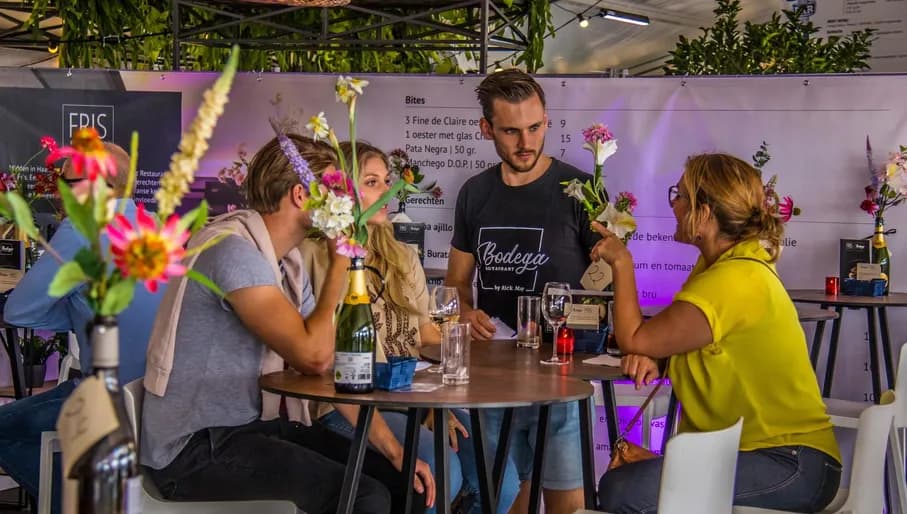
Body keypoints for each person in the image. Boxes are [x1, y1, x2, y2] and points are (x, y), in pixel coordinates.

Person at [140, 134, 432, 514]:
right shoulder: (231, 251)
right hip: (193, 450)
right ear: (300, 195)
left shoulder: (284, 265)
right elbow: (312, 356)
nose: (344, 202)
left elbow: (326, 369)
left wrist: (396, 453)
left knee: (398, 483)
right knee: (364, 497)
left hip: (247, 431)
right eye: (334, 190)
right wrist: (341, 262)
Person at [593, 153, 841, 513]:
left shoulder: (732, 280)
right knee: (626, 485)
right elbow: (701, 345)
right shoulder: (725, 266)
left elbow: (634, 337)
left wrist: (622, 261)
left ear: (705, 213)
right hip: (770, 457)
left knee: (621, 490)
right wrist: (658, 360)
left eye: (679, 195)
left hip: (790, 463)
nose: (674, 205)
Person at [301, 142, 520, 514]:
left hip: (409, 398)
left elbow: (423, 335)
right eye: (372, 182)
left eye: (387, 181)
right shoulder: (313, 255)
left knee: (502, 476)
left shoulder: (402, 256)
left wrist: (457, 363)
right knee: (441, 469)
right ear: (340, 191)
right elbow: (325, 355)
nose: (387, 191)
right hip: (347, 405)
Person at [445, 69, 599, 514]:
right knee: (503, 498)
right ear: (487, 129)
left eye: (535, 127)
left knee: (566, 501)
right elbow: (457, 282)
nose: (526, 142)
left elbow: (608, 282)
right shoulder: (475, 193)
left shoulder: (579, 189)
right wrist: (464, 313)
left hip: (562, 378)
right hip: (491, 382)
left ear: (547, 120)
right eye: (511, 131)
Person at [0, 142, 163, 514]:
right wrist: (80, 310)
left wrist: (73, 312)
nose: (59, 190)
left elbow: (18, 310)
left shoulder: (82, 229)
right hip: (154, 400)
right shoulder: (151, 223)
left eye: (66, 180)